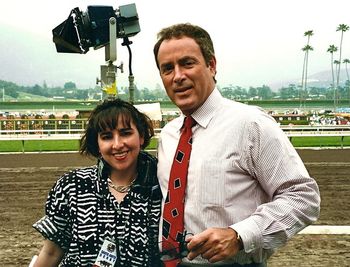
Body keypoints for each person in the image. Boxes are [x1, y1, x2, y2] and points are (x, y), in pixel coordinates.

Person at [154, 23, 321, 266]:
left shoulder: (251, 124)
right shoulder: (169, 135)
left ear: (211, 65)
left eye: (187, 63)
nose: (178, 76)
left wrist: (239, 235)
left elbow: (303, 197)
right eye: (167, 68)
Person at [33, 98, 162, 266]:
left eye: (126, 133)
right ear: (98, 144)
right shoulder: (71, 186)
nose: (117, 144)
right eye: (107, 136)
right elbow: (51, 253)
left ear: (142, 137)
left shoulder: (162, 187)